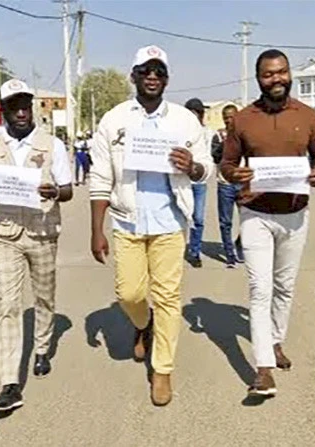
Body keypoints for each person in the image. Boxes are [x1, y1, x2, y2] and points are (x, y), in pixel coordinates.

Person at [89, 45, 211, 407]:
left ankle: (163, 370)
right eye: (145, 70)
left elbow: (207, 168)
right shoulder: (113, 120)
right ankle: (143, 324)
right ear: (134, 76)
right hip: (127, 220)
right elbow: (99, 176)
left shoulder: (184, 121)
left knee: (168, 298)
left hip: (170, 220)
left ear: (167, 78)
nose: (152, 76)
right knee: (129, 294)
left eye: (159, 70)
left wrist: (193, 166)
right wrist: (97, 228)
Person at [221, 49, 315, 397]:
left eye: (281, 72)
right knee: (260, 289)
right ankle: (263, 366)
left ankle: (277, 340)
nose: (276, 79)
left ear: (289, 74)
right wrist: (234, 173)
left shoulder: (309, 116)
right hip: (255, 213)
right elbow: (226, 163)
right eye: (269, 74)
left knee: (284, 286)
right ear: (259, 79)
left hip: (295, 214)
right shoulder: (242, 119)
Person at [0, 79, 73, 412]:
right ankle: (10, 383)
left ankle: (42, 346)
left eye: (25, 105)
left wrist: (53, 192)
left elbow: (68, 190)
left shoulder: (51, 145)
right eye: (14, 106)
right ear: (3, 110)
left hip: (42, 230)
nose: (21, 112)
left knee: (44, 295)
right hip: (5, 233)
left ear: (32, 108)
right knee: (8, 306)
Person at [211, 104, 244, 268]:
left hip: (243, 183)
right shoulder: (218, 135)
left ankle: (239, 244)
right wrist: (225, 144)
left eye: (231, 117)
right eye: (226, 117)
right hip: (225, 184)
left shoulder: (245, 134)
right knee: (225, 222)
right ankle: (230, 254)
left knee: (248, 220)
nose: (228, 120)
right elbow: (215, 157)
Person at [184, 97, 211, 268]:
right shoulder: (179, 131)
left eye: (197, 113)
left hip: (199, 182)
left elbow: (210, 156)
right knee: (179, 217)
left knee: (198, 218)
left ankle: (195, 251)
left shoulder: (207, 133)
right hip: (182, 181)